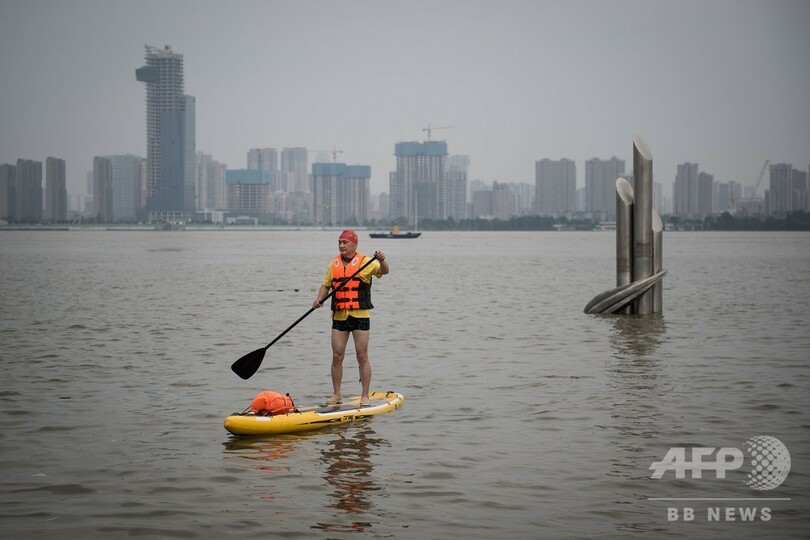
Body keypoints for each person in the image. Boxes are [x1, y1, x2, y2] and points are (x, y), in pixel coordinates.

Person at [312, 229, 389, 406]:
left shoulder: (366, 262)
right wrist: (319, 299)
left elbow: (384, 271)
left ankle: (365, 396)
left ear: (354, 244)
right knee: (337, 356)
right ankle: (336, 395)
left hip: (360, 316)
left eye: (345, 242)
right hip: (339, 316)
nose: (341, 245)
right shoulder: (334, 264)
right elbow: (326, 285)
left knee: (362, 356)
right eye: (339, 242)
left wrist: (382, 260)